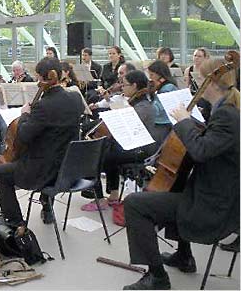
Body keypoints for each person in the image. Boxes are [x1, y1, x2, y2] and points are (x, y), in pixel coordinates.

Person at [123, 58, 240, 290]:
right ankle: (184, 257)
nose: (194, 85)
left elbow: (201, 151)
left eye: (197, 79)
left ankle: (157, 277)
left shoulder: (227, 115)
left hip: (214, 206)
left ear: (211, 83)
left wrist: (185, 122)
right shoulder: (227, 108)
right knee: (176, 185)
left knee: (135, 204)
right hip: (216, 193)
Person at [0, 57, 83, 228]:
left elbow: (24, 136)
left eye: (36, 78)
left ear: (42, 78)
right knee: (52, 150)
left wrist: (25, 114)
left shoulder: (43, 106)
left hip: (43, 173)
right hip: (68, 170)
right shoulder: (75, 99)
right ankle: (47, 206)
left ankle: (15, 222)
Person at [81, 70, 158, 211]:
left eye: (125, 84)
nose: (122, 87)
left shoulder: (142, 107)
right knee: (108, 149)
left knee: (95, 155)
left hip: (140, 150)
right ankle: (114, 195)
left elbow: (129, 130)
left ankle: (99, 198)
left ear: (134, 86)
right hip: (134, 146)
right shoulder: (139, 102)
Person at [147, 60, 178, 142]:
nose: (150, 78)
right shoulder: (162, 87)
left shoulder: (167, 88)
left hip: (164, 124)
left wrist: (147, 97)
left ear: (160, 75)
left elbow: (156, 110)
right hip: (160, 122)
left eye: (152, 75)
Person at [184, 48, 211, 121]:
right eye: (195, 55)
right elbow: (186, 86)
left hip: (204, 98)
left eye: (199, 56)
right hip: (193, 96)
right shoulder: (189, 70)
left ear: (205, 58)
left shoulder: (208, 70)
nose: (196, 58)